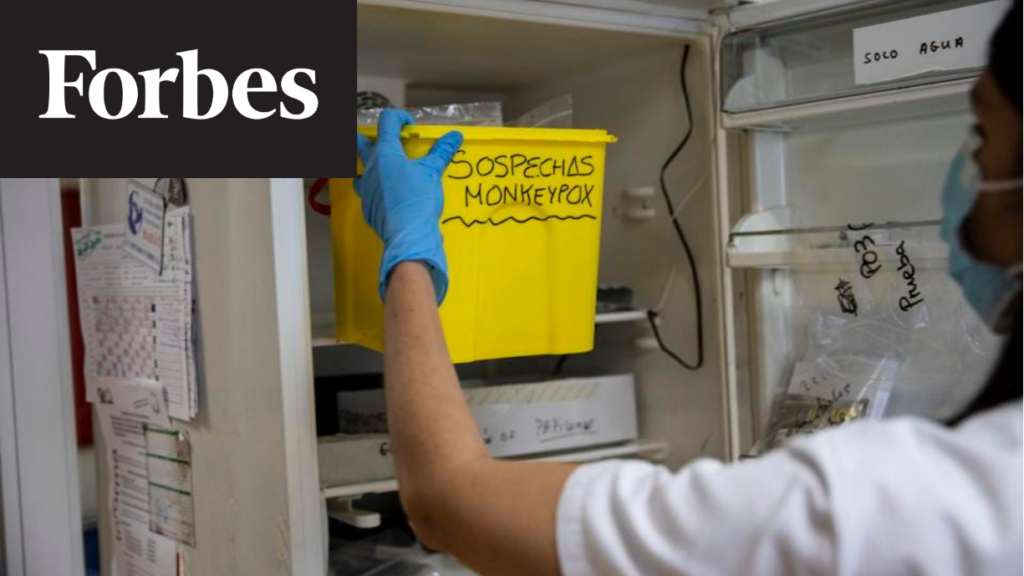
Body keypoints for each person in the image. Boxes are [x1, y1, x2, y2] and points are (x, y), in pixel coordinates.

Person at [352, 3, 1024, 574]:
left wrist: (410, 250)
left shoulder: (899, 504)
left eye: (984, 131)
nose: (966, 164)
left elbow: (446, 501)